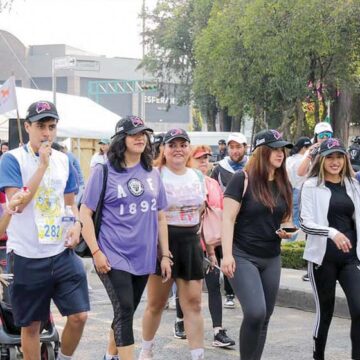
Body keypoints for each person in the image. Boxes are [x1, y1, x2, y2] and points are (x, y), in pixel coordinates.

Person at [0, 100, 89, 360]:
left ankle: (64, 357)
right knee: (31, 326)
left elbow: (71, 204)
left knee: (79, 316)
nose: (47, 133)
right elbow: (18, 202)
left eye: (52, 126)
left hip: (61, 253)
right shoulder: (11, 159)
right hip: (27, 255)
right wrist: (41, 165)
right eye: (41, 126)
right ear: (27, 127)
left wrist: (77, 224)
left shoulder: (65, 160)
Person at [80, 115, 171, 360]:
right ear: (122, 139)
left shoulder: (152, 173)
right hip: (112, 255)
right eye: (134, 134)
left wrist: (165, 255)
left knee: (125, 312)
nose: (140, 138)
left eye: (144, 134)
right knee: (125, 309)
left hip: (144, 256)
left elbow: (161, 216)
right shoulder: (103, 171)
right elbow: (84, 214)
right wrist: (96, 252)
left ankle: (109, 357)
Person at [221, 129, 294, 360]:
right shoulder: (241, 179)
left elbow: (286, 219)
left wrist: (288, 231)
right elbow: (227, 218)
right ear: (262, 151)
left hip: (271, 257)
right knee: (255, 312)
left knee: (264, 317)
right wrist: (227, 255)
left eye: (282, 148)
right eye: (274, 148)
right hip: (242, 256)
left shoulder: (283, 182)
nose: (280, 153)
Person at [139, 128, 206, 360]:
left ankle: (197, 354)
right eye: (172, 145)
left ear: (189, 149)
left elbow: (202, 209)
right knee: (156, 303)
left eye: (183, 144)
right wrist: (161, 251)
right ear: (163, 149)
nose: (178, 149)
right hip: (161, 244)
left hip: (190, 243)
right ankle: (146, 350)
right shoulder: (155, 174)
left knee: (194, 304)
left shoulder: (197, 176)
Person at [300, 138, 360, 360]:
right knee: (325, 314)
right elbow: (305, 223)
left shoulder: (353, 186)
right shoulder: (311, 186)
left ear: (345, 159)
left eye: (339, 157)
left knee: (359, 309)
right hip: (322, 259)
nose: (335, 162)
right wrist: (332, 232)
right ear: (322, 160)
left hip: (350, 259)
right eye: (330, 157)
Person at [192, 145, 235, 348]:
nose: (204, 162)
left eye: (207, 158)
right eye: (199, 158)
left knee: (213, 284)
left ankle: (217, 330)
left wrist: (212, 249)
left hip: (210, 242)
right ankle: (180, 321)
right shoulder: (185, 183)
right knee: (188, 288)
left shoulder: (213, 184)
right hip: (188, 243)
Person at [211, 132, 248, 308]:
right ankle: (230, 293)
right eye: (232, 147)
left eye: (238, 147)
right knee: (227, 254)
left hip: (247, 220)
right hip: (226, 219)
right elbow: (212, 191)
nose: (235, 150)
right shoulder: (220, 168)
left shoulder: (252, 167)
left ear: (245, 148)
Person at [286, 136, 312, 232]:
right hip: (300, 189)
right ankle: (294, 236)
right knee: (298, 214)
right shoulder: (305, 161)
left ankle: (290, 235)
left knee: (291, 213)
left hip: (289, 189)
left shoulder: (289, 159)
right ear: (305, 148)